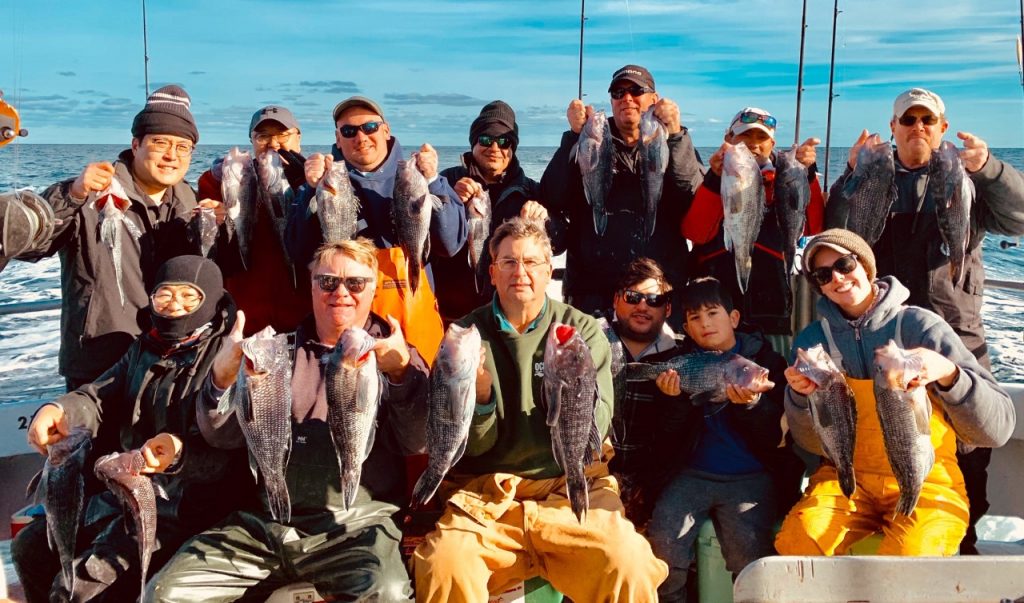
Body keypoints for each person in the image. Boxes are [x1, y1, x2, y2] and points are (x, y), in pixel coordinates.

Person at [146, 238, 429, 601]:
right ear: (311, 285)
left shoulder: (395, 354)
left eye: (355, 283)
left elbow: (418, 440)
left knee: (387, 592)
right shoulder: (273, 351)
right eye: (327, 282)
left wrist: (403, 373)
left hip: (356, 525)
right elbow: (224, 435)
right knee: (164, 593)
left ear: (373, 289)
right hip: (265, 523)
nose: (341, 292)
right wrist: (220, 380)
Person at [413, 217, 666, 602]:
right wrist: (482, 397)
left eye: (532, 262)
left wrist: (568, 391)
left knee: (628, 562)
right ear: (492, 272)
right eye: (509, 262)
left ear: (549, 271)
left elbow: (593, 433)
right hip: (486, 497)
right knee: (445, 565)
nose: (521, 272)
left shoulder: (578, 331)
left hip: (572, 489)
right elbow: (468, 448)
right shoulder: (462, 338)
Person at [825, 88, 1024, 553]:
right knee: (885, 444)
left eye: (927, 120)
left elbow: (1018, 219)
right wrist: (851, 176)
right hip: (884, 343)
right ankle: (888, 542)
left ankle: (962, 544)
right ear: (892, 128)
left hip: (958, 341)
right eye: (908, 120)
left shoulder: (969, 181)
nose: (918, 127)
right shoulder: (872, 178)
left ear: (943, 128)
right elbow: (837, 236)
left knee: (971, 449)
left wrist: (989, 168)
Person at [14, 256, 252, 603]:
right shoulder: (143, 348)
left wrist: (178, 457)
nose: (174, 306)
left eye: (189, 297)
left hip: (189, 505)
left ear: (213, 302)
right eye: (164, 295)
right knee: (31, 546)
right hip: (126, 492)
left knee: (74, 591)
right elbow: (97, 397)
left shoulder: (226, 357)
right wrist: (58, 409)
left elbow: (229, 453)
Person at [775, 229, 1015, 557]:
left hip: (928, 480)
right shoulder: (810, 343)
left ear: (866, 265)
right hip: (846, 482)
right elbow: (814, 444)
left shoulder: (922, 326)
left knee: (913, 554)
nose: (838, 278)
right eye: (823, 274)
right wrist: (801, 399)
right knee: (797, 541)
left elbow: (997, 428)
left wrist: (948, 373)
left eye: (844, 264)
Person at [17, 85, 202, 390]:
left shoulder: (191, 203)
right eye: (160, 143)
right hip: (99, 363)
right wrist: (71, 195)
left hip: (168, 359)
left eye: (183, 147)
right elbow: (30, 247)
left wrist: (219, 225)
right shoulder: (89, 193)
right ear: (136, 144)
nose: (172, 155)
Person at [645, 276, 801, 602]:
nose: (704, 324)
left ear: (733, 318)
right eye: (694, 318)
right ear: (686, 327)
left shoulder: (767, 364)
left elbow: (777, 437)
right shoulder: (682, 363)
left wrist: (753, 405)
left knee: (749, 558)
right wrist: (674, 400)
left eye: (712, 313)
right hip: (690, 475)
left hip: (750, 477)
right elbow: (665, 439)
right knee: (664, 548)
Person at [288, 95, 467, 365]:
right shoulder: (327, 182)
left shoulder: (414, 176)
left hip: (413, 319)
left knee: (415, 395)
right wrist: (311, 190)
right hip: (346, 322)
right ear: (338, 140)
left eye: (369, 127)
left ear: (386, 130)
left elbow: (450, 243)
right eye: (349, 131)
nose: (361, 137)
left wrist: (433, 180)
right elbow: (298, 251)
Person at [541, 64, 704, 329]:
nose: (626, 98)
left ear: (655, 99)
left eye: (636, 90)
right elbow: (552, 196)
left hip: (657, 297)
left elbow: (692, 197)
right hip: (591, 295)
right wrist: (573, 136)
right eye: (618, 92)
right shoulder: (590, 140)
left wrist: (675, 135)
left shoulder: (670, 141)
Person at [681, 107, 824, 336]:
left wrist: (805, 173)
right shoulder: (713, 178)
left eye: (761, 138)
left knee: (771, 368)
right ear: (729, 138)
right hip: (715, 305)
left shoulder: (784, 178)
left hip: (770, 303)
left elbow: (812, 227)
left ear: (772, 143)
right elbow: (695, 233)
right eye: (745, 136)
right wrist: (714, 180)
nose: (754, 144)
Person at [433, 100, 567, 324]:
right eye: (486, 139)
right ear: (473, 143)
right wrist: (450, 201)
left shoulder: (531, 190)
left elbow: (560, 243)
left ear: (512, 148)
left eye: (504, 142)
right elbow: (424, 235)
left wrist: (546, 221)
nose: (494, 149)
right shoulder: (446, 181)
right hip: (451, 315)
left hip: (510, 316)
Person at [197, 105, 312, 335]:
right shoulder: (225, 180)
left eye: (283, 135)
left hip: (305, 321)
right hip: (245, 321)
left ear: (298, 138)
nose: (274, 143)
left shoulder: (311, 181)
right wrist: (222, 179)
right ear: (252, 140)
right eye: (263, 136)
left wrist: (314, 183)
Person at [604, 257, 689, 528]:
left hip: (656, 484)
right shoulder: (588, 344)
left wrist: (674, 402)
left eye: (654, 299)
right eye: (633, 297)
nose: (643, 306)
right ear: (617, 300)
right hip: (594, 476)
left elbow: (680, 442)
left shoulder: (683, 355)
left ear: (667, 308)